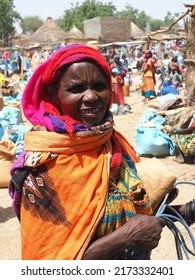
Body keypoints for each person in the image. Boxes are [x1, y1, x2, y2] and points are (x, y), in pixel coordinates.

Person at [8, 44, 193, 260]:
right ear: (53, 93)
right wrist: (126, 238)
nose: (91, 97)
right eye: (76, 89)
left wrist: (187, 211)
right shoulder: (42, 169)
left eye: (99, 86)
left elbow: (136, 217)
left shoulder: (112, 144)